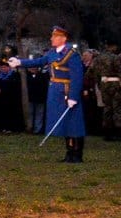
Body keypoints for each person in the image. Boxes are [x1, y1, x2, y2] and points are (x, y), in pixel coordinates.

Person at [8, 26, 86, 162]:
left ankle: (76, 154)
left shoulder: (71, 54)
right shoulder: (52, 52)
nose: (51, 38)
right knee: (64, 124)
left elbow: (77, 77)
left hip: (67, 91)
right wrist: (20, 62)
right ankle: (69, 153)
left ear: (63, 38)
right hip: (55, 91)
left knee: (74, 124)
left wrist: (73, 96)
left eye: (54, 36)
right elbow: (38, 62)